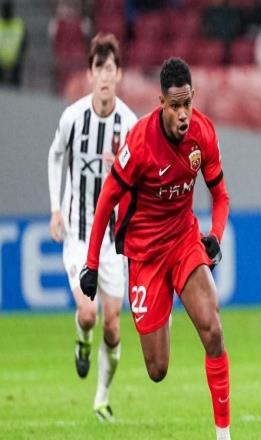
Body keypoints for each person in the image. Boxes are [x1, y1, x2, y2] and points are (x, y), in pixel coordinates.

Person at [79, 57, 232, 440]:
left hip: (183, 241)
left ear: (193, 97)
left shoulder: (203, 133)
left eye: (188, 104)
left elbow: (220, 196)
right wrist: (91, 264)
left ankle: (224, 435)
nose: (183, 114)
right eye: (175, 106)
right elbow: (106, 201)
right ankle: (162, 310)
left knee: (213, 331)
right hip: (145, 255)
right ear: (161, 102)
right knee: (157, 370)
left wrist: (215, 235)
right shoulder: (140, 143)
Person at [48, 33, 137, 421]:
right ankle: (83, 340)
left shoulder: (130, 124)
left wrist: (122, 171)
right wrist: (56, 208)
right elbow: (55, 156)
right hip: (79, 232)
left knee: (113, 327)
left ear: (119, 74)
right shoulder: (73, 117)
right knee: (88, 314)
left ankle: (101, 399)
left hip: (113, 240)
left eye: (110, 68)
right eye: (98, 68)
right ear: (89, 74)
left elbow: (141, 179)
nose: (104, 76)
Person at [0, 0, 27, 87]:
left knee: (14, 90)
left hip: (16, 65)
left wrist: (19, 59)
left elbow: (24, 44)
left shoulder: (19, 24)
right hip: (1, 64)